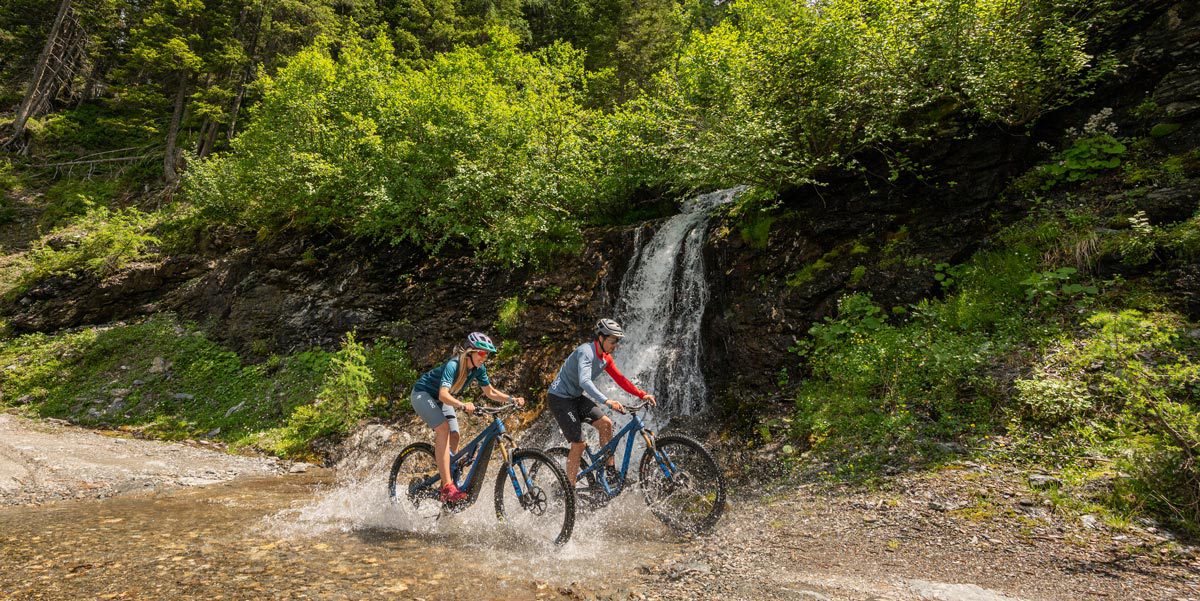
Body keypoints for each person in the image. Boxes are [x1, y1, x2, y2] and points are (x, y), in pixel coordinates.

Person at [410, 332, 525, 503]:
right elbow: (443, 394)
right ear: (470, 352)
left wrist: (511, 399)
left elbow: (490, 392)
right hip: (423, 395)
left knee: (455, 435)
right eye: (481, 353)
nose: (484, 357)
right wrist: (463, 405)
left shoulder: (479, 369)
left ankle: (446, 481)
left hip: (442, 399)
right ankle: (448, 486)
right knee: (443, 429)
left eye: (486, 354)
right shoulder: (453, 365)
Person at [547, 318, 656, 488]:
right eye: (612, 341)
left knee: (606, 424)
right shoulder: (586, 352)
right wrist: (607, 401)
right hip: (559, 398)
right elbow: (584, 381)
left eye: (616, 342)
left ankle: (611, 473)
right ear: (601, 338)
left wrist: (642, 394)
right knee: (579, 444)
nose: (615, 346)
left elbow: (621, 379)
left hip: (575, 398)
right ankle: (569, 489)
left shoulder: (606, 358)